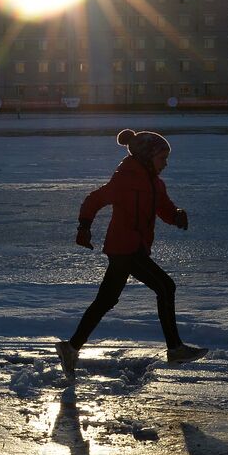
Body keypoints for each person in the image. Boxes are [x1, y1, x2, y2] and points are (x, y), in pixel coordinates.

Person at [56, 128, 206, 377]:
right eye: (162, 159)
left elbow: (164, 208)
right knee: (166, 287)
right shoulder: (125, 179)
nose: (166, 164)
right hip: (125, 249)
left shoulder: (155, 183)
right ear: (148, 157)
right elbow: (93, 199)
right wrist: (84, 227)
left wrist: (177, 216)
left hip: (132, 250)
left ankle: (70, 348)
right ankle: (175, 348)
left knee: (106, 300)